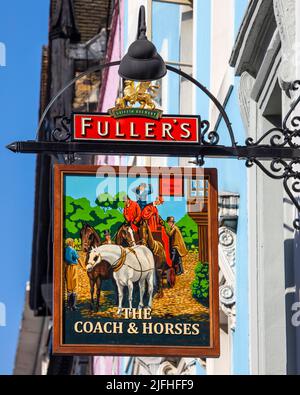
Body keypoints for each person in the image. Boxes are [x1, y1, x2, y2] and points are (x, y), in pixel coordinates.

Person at [141, 197, 172, 267]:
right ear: (157, 200)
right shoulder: (148, 206)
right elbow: (144, 215)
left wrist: (163, 223)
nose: (159, 204)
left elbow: (157, 219)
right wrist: (152, 213)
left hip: (154, 227)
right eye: (159, 202)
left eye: (160, 203)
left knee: (165, 237)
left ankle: (166, 256)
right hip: (149, 228)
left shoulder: (155, 208)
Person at [64, 238, 85, 311]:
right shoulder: (73, 250)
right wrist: (84, 267)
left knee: (69, 287)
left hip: (67, 268)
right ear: (71, 243)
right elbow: (78, 259)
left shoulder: (65, 250)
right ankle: (74, 305)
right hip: (73, 267)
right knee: (74, 286)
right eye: (73, 242)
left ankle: (69, 305)